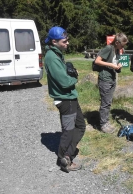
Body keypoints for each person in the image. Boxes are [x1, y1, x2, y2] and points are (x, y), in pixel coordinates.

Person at [44, 26, 86, 173]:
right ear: (54, 41)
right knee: (68, 130)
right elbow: (65, 82)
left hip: (70, 97)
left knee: (80, 126)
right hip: (65, 99)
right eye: (65, 41)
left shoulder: (57, 54)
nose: (67, 43)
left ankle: (68, 154)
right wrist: (74, 76)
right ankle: (63, 159)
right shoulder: (51, 57)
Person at [94, 33, 128, 133]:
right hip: (105, 79)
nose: (123, 47)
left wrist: (118, 66)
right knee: (105, 103)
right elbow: (97, 61)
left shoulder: (117, 50)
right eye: (122, 45)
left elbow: (115, 63)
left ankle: (105, 121)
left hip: (112, 78)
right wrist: (111, 65)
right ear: (117, 42)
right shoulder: (108, 48)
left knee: (108, 102)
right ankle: (103, 124)